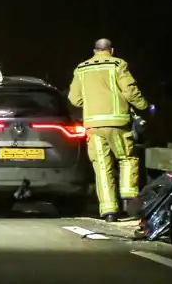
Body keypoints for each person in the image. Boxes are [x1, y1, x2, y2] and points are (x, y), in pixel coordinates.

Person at [68, 38, 149, 222]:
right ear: (111, 50)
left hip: (94, 126)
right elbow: (130, 91)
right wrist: (143, 106)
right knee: (127, 158)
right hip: (118, 123)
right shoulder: (118, 64)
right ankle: (129, 202)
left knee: (102, 167)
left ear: (95, 50)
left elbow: (74, 98)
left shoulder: (81, 69)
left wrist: (89, 103)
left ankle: (109, 211)